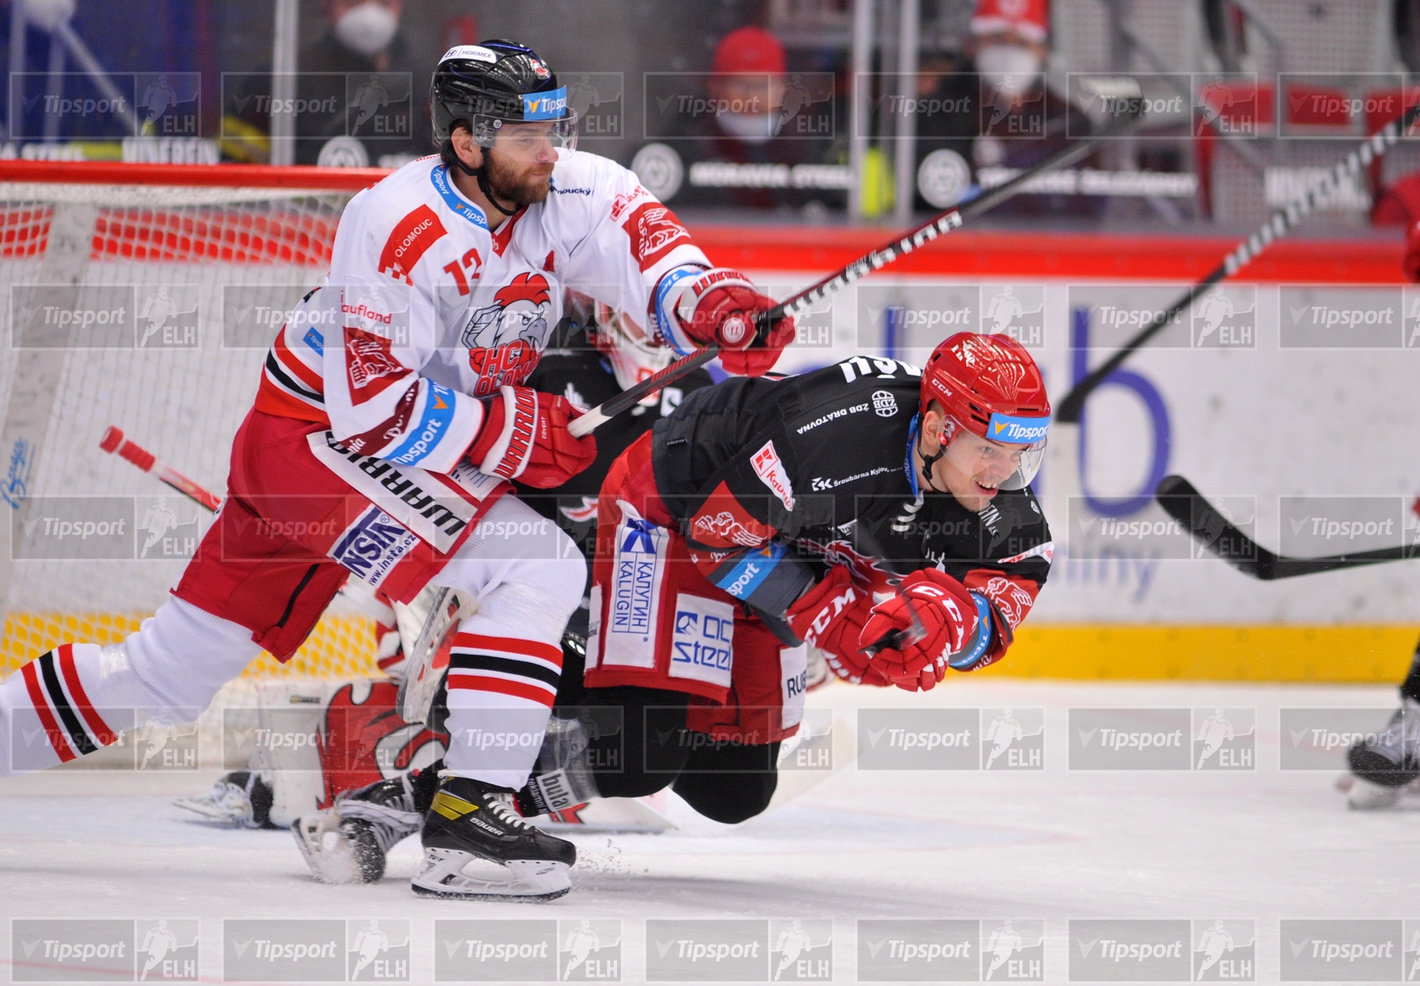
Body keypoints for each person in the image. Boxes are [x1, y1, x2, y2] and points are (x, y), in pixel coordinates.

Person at [0, 39, 794, 903]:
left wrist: (709, 302)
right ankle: (470, 822)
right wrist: (518, 429)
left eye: (554, 128)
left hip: (350, 458)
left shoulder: (566, 188)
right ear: (464, 140)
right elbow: (373, 411)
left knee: (167, 674)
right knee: (537, 565)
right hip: (316, 449)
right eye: (528, 135)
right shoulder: (393, 223)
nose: (549, 149)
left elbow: (652, 253)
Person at [520, 332, 1055, 825]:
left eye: (1020, 455)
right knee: (640, 757)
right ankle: (488, 755)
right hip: (674, 509)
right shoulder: (835, 444)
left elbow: (994, 616)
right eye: (989, 450)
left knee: (732, 792)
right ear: (939, 430)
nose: (1002, 475)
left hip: (783, 545)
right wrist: (828, 611)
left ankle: (619, 701)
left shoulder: (1007, 514)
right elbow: (715, 534)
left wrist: (952, 624)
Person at [910, 0, 1101, 217]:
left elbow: (1087, 207)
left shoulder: (1069, 122)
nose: (1008, 53)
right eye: (997, 39)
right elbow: (924, 200)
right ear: (971, 44)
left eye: (1021, 43)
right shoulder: (936, 114)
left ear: (1043, 51)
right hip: (961, 245)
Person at [632, 24, 845, 214]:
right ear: (715, 87)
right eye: (740, 84)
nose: (751, 97)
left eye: (763, 86)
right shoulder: (680, 150)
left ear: (782, 88)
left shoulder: (810, 150)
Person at [222, 0, 433, 167]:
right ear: (326, 3)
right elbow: (234, 177)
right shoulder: (279, 82)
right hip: (300, 219)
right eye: (352, 1)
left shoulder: (428, 84)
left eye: (384, 2)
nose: (370, 15)